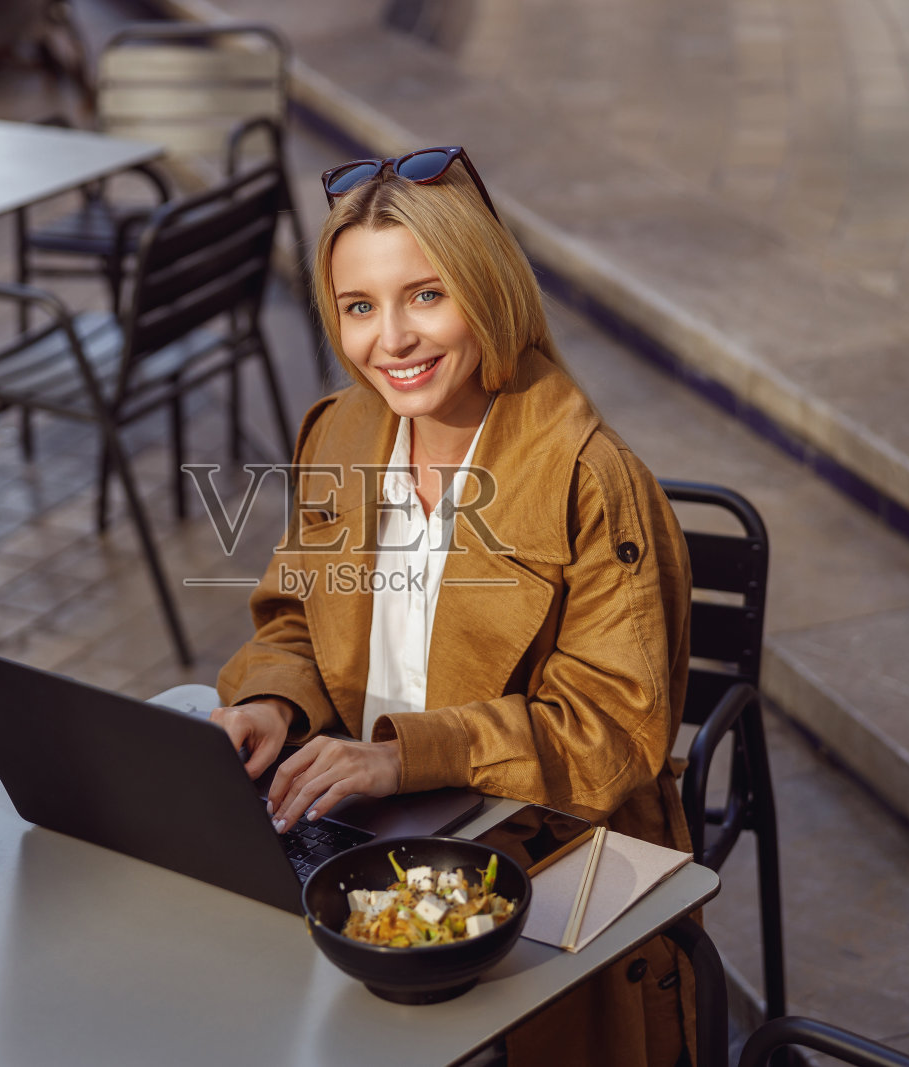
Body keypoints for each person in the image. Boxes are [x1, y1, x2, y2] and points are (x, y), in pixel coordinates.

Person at [210, 147, 695, 1067]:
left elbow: (614, 731)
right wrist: (276, 702)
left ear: (490, 291)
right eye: (360, 307)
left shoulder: (593, 479)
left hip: (546, 841)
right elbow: (291, 618)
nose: (390, 340)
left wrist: (403, 756)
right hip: (364, 832)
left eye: (426, 296)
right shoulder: (339, 431)